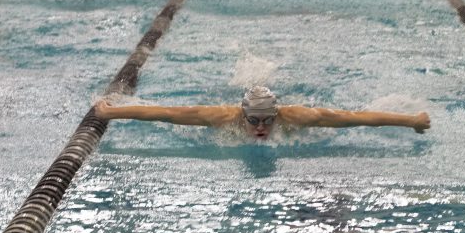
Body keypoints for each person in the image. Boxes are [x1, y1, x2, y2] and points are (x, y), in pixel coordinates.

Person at [94, 86, 430, 141]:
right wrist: (112, 112)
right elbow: (165, 113)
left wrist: (412, 121)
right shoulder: (222, 116)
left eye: (267, 120)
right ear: (243, 115)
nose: (261, 127)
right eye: (253, 120)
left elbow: (357, 118)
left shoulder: (297, 117)